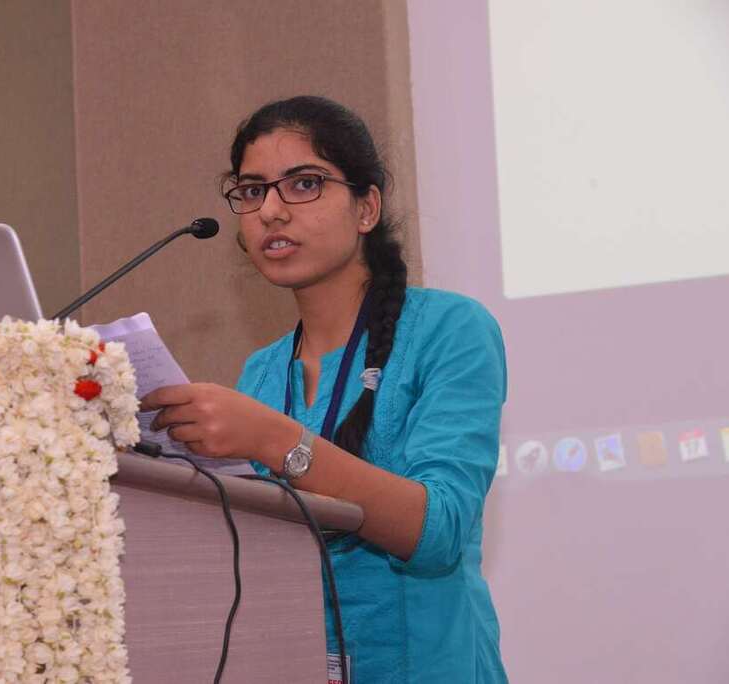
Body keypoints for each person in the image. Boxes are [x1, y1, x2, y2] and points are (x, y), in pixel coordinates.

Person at [140, 95, 508, 683]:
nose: (271, 211)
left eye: (304, 184)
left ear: (367, 208)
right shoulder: (262, 371)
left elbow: (439, 530)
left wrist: (276, 440)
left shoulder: (450, 329)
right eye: (252, 190)